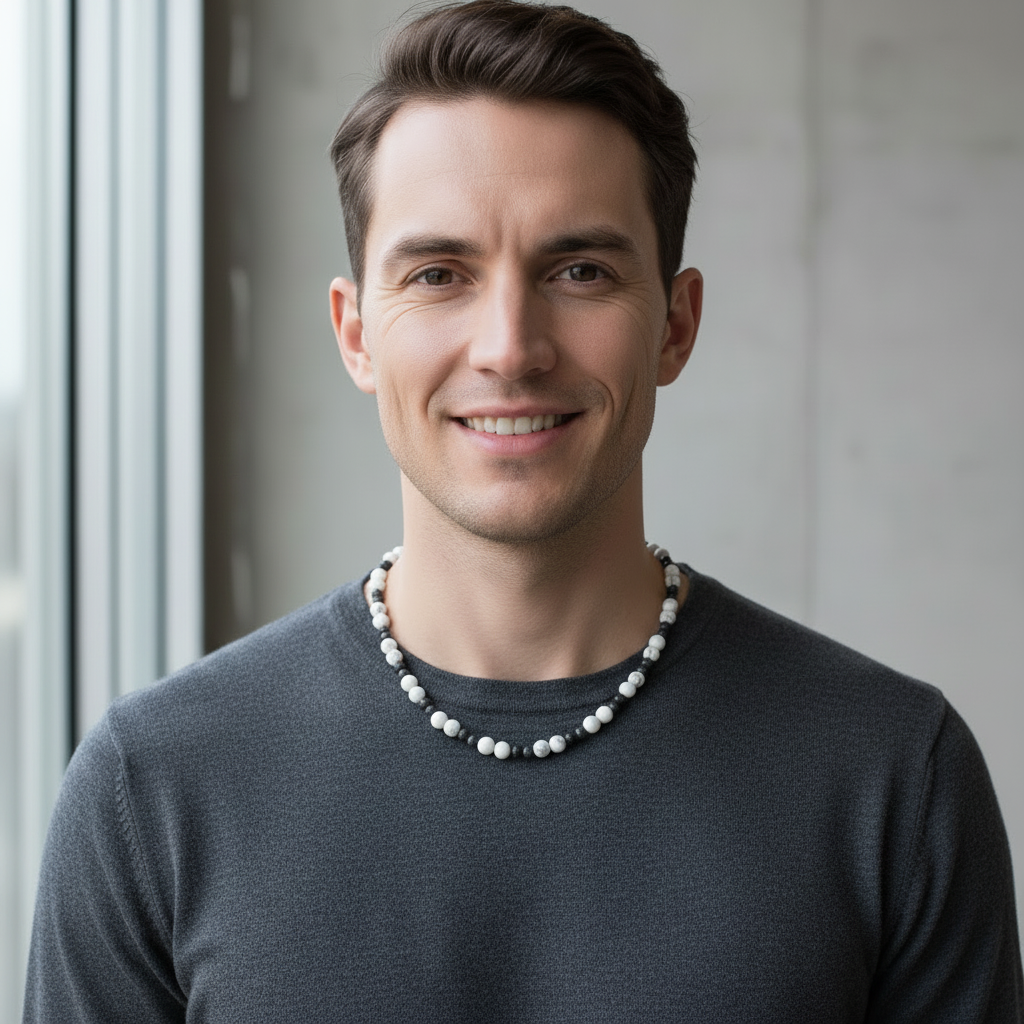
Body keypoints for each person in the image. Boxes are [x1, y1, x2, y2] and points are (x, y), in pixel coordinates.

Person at [24, 1, 1023, 1021]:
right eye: (439, 273)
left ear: (674, 327)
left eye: (578, 270)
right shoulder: (152, 789)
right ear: (356, 333)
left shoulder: (891, 776)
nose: (509, 344)